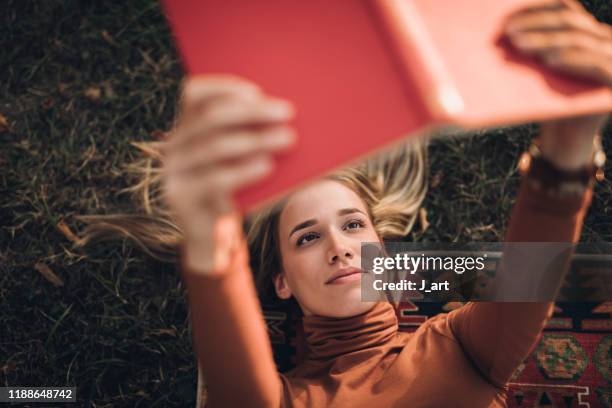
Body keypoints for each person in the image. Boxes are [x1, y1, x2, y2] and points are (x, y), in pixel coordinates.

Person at [78, 0, 610, 406]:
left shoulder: (459, 343)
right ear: (281, 282)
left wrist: (571, 143)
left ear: (382, 253)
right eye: (307, 237)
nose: (338, 248)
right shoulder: (286, 397)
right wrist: (208, 235)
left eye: (354, 225)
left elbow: (527, 278)